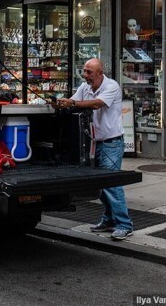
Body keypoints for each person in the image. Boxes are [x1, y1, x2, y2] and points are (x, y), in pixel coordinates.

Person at [54, 58, 134, 240]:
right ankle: (109, 218)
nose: (85, 75)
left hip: (111, 143)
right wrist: (61, 103)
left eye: (89, 72)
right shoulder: (85, 87)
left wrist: (72, 104)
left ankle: (124, 224)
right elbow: (73, 101)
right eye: (84, 71)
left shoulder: (111, 86)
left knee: (111, 184)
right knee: (101, 184)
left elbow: (97, 104)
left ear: (100, 73)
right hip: (95, 143)